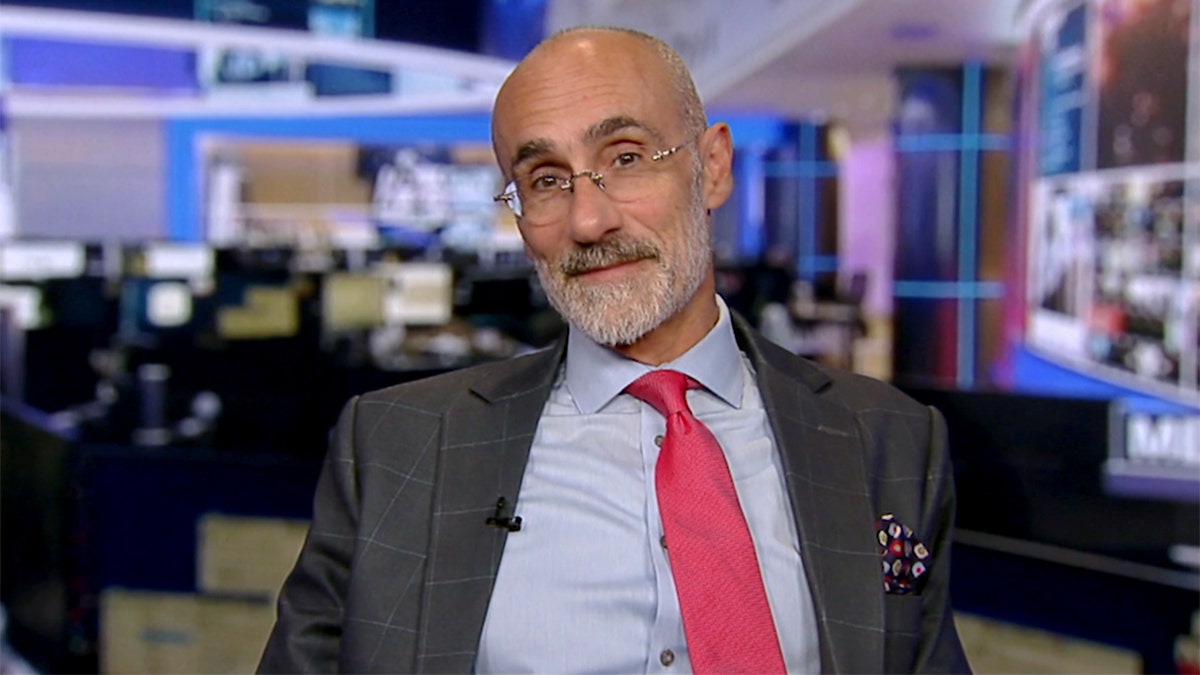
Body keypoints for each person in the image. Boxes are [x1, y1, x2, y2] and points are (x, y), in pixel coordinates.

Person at [258, 26, 971, 674]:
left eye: (626, 158)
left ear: (713, 166)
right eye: (545, 180)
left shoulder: (887, 440)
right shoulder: (397, 445)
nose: (589, 219)